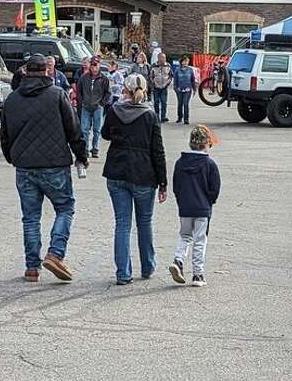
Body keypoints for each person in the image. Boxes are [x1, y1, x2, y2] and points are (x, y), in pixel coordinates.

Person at [0, 54, 88, 283]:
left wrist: (12, 157)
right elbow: (73, 129)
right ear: (48, 72)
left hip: (24, 166)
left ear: (26, 72)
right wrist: (81, 155)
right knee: (65, 208)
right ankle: (55, 253)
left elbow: (5, 135)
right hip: (54, 164)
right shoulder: (57, 95)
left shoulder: (12, 99)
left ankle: (31, 267)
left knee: (30, 218)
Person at [101, 73, 167, 285]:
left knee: (122, 224)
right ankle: (147, 266)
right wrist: (163, 181)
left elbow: (104, 134)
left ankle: (123, 272)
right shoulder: (150, 115)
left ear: (125, 90)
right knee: (144, 222)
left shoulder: (115, 111)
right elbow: (158, 150)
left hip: (117, 171)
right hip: (143, 174)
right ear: (145, 90)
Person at [170, 124, 221, 287]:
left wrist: (181, 200)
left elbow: (176, 185)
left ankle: (178, 260)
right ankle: (198, 274)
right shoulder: (209, 164)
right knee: (200, 240)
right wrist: (210, 201)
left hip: (185, 207)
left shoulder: (180, 163)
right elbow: (215, 187)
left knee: (185, 236)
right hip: (202, 208)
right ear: (206, 144)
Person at [75, 56, 111, 159]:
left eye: (96, 65)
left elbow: (108, 93)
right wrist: (81, 102)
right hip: (86, 106)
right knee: (84, 129)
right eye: (92, 65)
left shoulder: (104, 79)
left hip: (98, 107)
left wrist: (102, 104)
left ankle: (95, 149)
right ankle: (85, 149)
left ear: (99, 65)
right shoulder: (84, 78)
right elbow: (79, 91)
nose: (94, 68)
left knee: (97, 129)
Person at [173, 55, 197, 124]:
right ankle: (180, 117)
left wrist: (194, 88)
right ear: (182, 62)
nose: (187, 63)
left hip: (188, 89)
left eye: (188, 61)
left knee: (186, 104)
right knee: (180, 104)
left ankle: (186, 119)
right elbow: (175, 79)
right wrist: (175, 88)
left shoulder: (190, 70)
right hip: (179, 89)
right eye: (185, 61)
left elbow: (193, 79)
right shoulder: (177, 70)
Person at [149, 53, 173, 122]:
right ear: (158, 58)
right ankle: (156, 117)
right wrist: (153, 84)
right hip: (156, 87)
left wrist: (168, 83)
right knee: (156, 102)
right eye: (162, 58)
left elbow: (171, 75)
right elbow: (150, 76)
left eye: (164, 58)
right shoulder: (153, 66)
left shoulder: (168, 65)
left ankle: (163, 117)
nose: (164, 59)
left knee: (164, 102)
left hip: (164, 87)